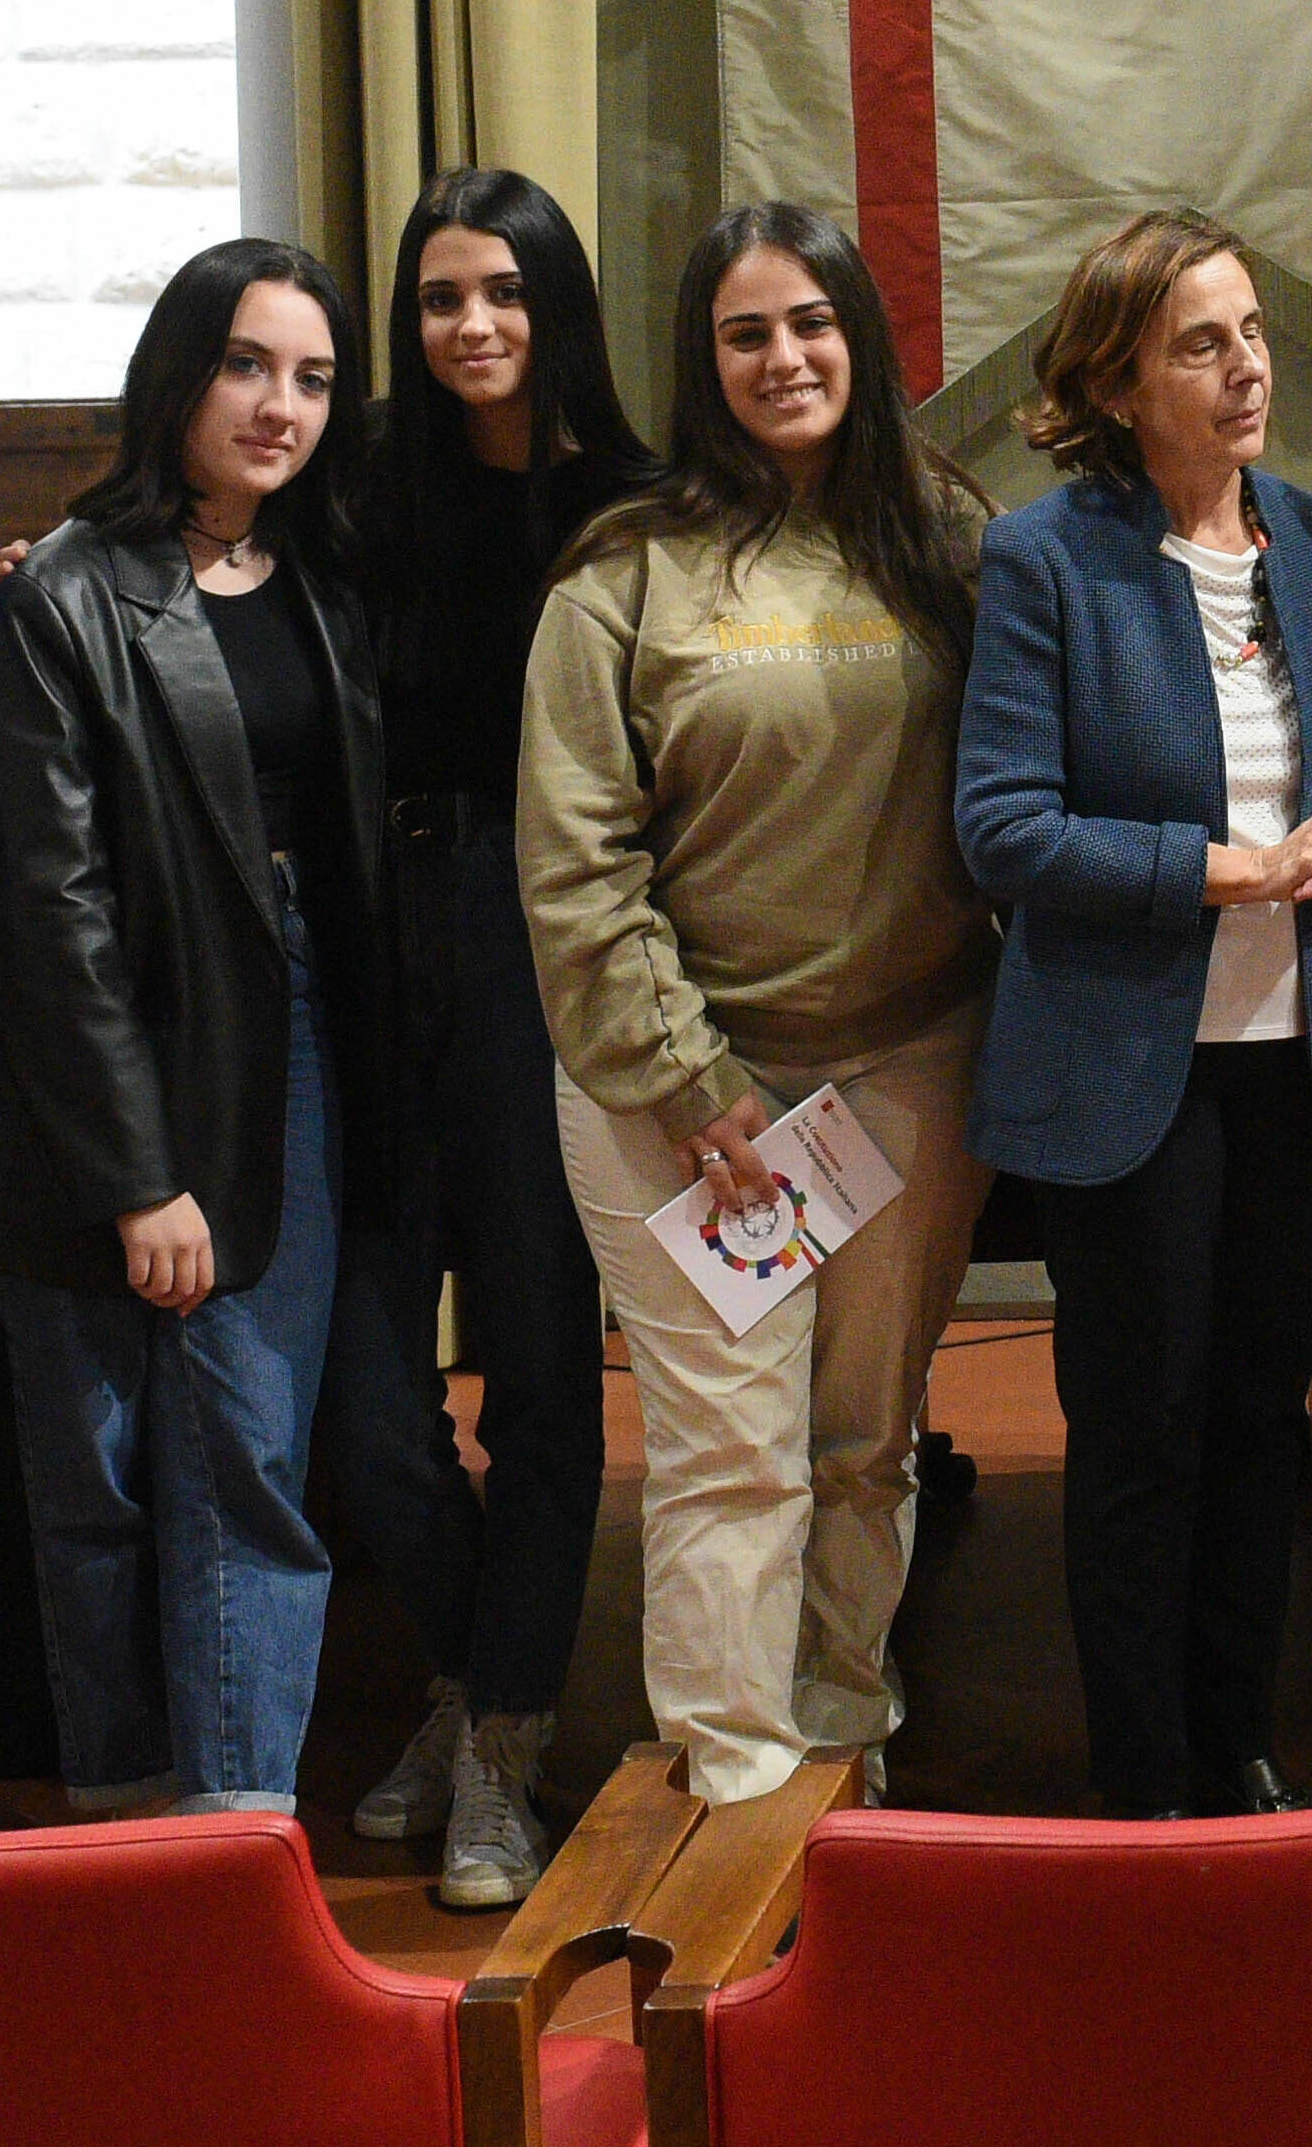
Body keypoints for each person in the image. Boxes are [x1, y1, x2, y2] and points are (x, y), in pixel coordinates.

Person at [521, 204, 997, 1812]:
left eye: (811, 323)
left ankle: (842, 1747)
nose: (783, 358)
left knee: (866, 1440)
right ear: (700, 361)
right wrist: (688, 1078)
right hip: (685, 1092)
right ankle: (737, 1800)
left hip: (908, 1065)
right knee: (733, 1451)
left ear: (860, 338)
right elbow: (575, 861)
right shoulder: (622, 574)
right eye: (745, 334)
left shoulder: (950, 537)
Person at [0, 239, 391, 1815]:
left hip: (290, 1029)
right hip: (88, 1056)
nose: (279, 406)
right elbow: (46, 913)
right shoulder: (63, 593)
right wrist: (140, 1174)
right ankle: (118, 1816)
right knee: (97, 1478)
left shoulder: (325, 578)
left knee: (250, 1451)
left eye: (313, 378)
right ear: (178, 373)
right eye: (247, 365)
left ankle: (240, 1827)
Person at [957, 212, 1312, 1820]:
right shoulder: (1045, 560)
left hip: (1299, 1060)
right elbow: (1004, 830)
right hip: (1127, 1071)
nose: (1247, 368)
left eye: (1254, 333)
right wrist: (1239, 869)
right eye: (1201, 345)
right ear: (1116, 384)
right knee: (1141, 1436)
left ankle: (1236, 1740)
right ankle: (1142, 1778)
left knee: (1260, 1424)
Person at [315, 172, 645, 1906]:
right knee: (362, 1388)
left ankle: (506, 1736)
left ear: (557, 304)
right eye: (442, 297)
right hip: (374, 931)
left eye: (505, 292)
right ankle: (462, 1675)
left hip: (550, 937)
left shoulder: (629, 501)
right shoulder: (360, 477)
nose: (473, 326)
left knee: (537, 1357)